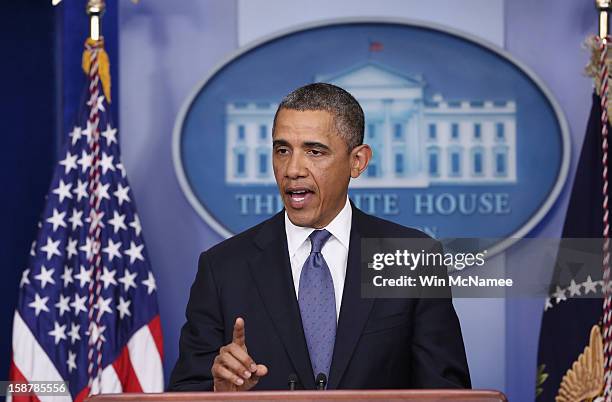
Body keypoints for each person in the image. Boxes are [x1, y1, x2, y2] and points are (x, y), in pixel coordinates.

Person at [168, 83, 471, 391]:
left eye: (314, 151)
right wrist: (220, 394)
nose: (293, 169)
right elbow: (186, 391)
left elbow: (447, 392)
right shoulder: (223, 268)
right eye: (282, 150)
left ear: (358, 161)